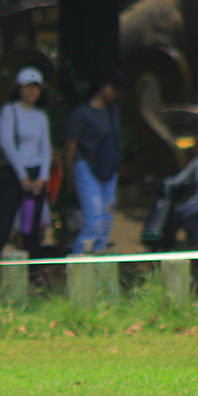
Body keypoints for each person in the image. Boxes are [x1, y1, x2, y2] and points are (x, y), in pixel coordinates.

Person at [0, 66, 52, 259]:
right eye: (28, 86)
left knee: (32, 226)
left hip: (35, 177)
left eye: (36, 87)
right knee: (4, 224)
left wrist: (43, 177)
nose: (32, 91)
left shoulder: (41, 116)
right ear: (19, 88)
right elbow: (7, 144)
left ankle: (32, 272)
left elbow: (46, 148)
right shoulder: (10, 110)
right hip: (12, 175)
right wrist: (21, 175)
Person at [65, 67, 123, 255]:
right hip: (86, 167)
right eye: (113, 87)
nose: (115, 92)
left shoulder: (113, 111)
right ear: (103, 87)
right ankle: (76, 269)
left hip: (109, 170)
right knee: (94, 222)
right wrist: (70, 177)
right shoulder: (81, 113)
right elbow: (70, 148)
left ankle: (98, 273)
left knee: (105, 223)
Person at [160, 128, 198, 246]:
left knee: (190, 217)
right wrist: (162, 181)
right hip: (194, 202)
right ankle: (168, 244)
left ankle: (197, 245)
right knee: (176, 212)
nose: (197, 147)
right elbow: (179, 179)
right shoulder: (196, 163)